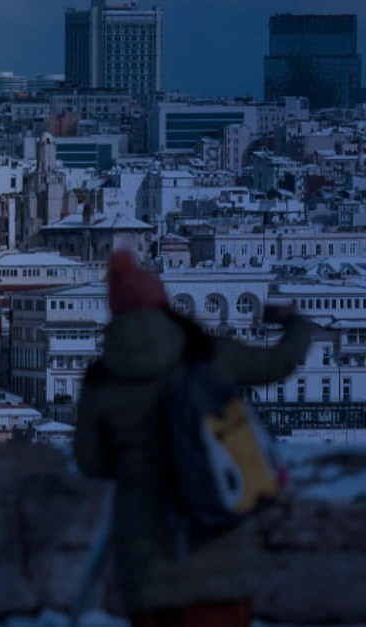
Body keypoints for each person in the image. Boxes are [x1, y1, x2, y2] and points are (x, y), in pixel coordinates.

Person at [74, 250, 313, 627]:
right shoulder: (206, 353)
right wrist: (297, 323)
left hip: (147, 561)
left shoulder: (102, 379)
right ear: (163, 303)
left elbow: (92, 462)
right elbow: (279, 363)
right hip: (221, 550)